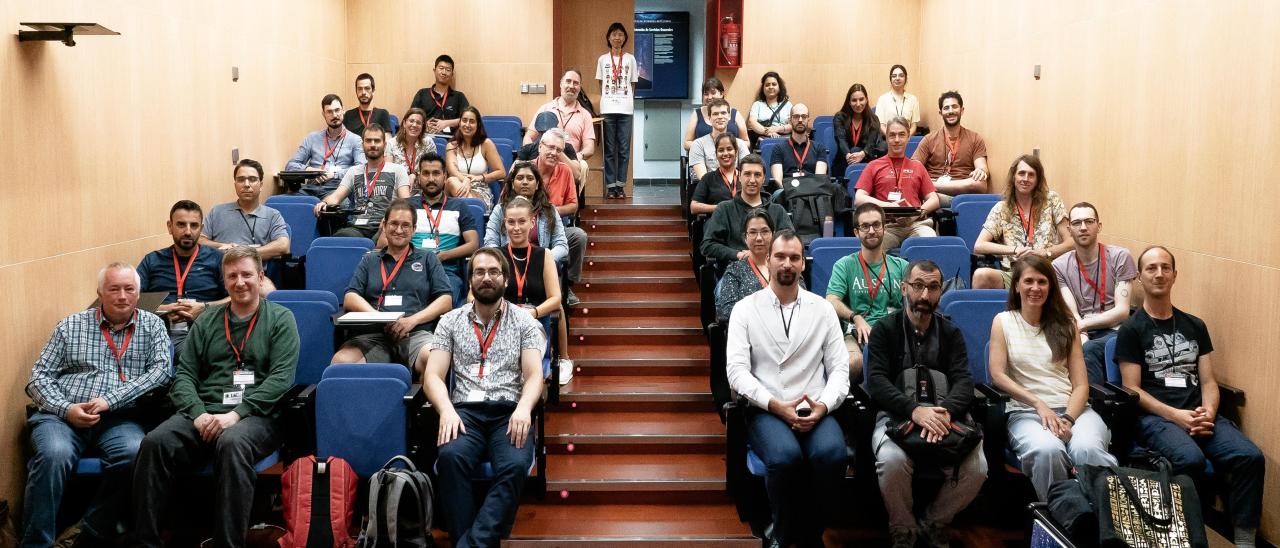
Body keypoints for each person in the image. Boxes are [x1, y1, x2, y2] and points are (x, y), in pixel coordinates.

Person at [134, 247, 300, 548]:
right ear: (224, 282)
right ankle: (147, 541)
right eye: (232, 276)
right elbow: (184, 375)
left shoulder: (281, 319)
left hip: (256, 415)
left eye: (247, 274)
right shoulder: (207, 321)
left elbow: (280, 380)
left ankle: (228, 543)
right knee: (155, 443)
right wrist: (198, 413)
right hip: (203, 412)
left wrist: (235, 415)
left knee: (232, 441)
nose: (240, 282)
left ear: (261, 277)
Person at [1116, 246, 1265, 548]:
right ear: (1140, 277)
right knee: (1190, 459)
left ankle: (1245, 540)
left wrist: (1208, 412)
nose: (1159, 274)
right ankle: (1190, 537)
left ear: (1174, 275)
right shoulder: (1131, 330)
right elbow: (1133, 390)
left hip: (1198, 413)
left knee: (1250, 457)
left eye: (1165, 267)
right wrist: (1176, 416)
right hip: (1157, 419)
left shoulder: (1194, 325)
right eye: (1151, 268)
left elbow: (1209, 381)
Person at [22, 263, 172, 547]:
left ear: (139, 294)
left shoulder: (153, 326)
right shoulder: (71, 325)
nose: (122, 296)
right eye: (113, 289)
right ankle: (35, 543)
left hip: (119, 418)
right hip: (62, 416)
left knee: (135, 454)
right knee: (53, 454)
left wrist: (110, 400)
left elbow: (161, 372)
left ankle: (84, 533)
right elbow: (37, 379)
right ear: (99, 293)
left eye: (129, 289)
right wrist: (66, 409)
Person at [725, 229, 850, 547]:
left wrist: (823, 406)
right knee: (784, 458)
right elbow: (737, 372)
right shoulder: (745, 309)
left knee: (833, 455)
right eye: (780, 256)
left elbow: (839, 370)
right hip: (767, 407)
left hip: (815, 406)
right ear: (768, 260)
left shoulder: (822, 308)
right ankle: (781, 531)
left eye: (795, 257)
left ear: (803, 264)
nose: (787, 263)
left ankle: (812, 531)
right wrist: (776, 405)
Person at [424, 248, 545, 547]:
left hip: (509, 411)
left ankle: (471, 543)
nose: (486, 277)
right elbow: (432, 376)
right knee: (451, 457)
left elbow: (534, 376)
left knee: (516, 465)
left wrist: (524, 409)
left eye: (493, 272)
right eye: (479, 272)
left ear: (504, 279)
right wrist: (447, 410)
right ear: (470, 280)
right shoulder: (449, 321)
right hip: (465, 412)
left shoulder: (524, 322)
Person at [865, 259, 986, 548]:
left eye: (932, 288)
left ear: (940, 293)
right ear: (904, 287)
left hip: (946, 416)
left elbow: (963, 381)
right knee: (892, 461)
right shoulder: (885, 329)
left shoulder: (951, 333)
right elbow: (877, 382)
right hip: (898, 415)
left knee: (978, 468)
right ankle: (903, 528)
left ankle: (935, 521)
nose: (924, 296)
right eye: (918, 286)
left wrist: (944, 414)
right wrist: (915, 411)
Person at [988, 255, 1117, 501]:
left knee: (1087, 448)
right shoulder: (1003, 322)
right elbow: (998, 375)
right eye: (1028, 281)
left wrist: (1068, 417)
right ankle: (1061, 520)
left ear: (1051, 287)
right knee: (1049, 450)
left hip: (1074, 411)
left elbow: (1081, 385)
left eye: (1042, 282)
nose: (1035, 288)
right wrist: (1039, 404)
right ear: (1016, 285)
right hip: (1026, 413)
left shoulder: (1067, 324)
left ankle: (1103, 521)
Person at [336, 199, 452, 377]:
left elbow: (445, 300)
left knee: (434, 359)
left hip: (416, 334)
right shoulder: (369, 259)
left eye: (405, 225)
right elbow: (351, 297)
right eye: (394, 224)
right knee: (340, 363)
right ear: (383, 225)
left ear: (414, 229)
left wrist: (411, 321)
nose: (399, 230)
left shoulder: (428, 259)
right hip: (374, 335)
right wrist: (379, 318)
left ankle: (424, 405)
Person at [1052, 203, 1137, 384]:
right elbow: (1072, 313)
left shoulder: (1120, 257)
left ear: (1099, 226)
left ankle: (1093, 403)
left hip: (1115, 329)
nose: (1083, 227)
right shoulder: (1058, 266)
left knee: (1089, 349)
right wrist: (1080, 332)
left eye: (1089, 221)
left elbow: (1122, 311)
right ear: (1069, 229)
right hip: (1079, 328)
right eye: (1076, 223)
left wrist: (1082, 328)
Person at [138, 200, 230, 356]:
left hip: (205, 332)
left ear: (201, 229)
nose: (188, 231)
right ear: (169, 227)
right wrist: (164, 309)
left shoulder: (217, 259)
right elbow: (130, 301)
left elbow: (235, 299)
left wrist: (204, 308)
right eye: (181, 225)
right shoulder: (152, 261)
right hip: (157, 333)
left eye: (194, 226)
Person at [497, 196, 572, 385]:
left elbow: (556, 298)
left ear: (532, 223)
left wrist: (533, 313)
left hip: (534, 323)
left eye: (522, 222)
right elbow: (473, 296)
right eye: (511, 222)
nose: (516, 228)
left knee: (521, 363)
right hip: (502, 322)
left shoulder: (544, 255)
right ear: (504, 223)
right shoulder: (496, 255)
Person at [827, 203, 907, 372]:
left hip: (895, 332)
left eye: (876, 225)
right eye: (865, 226)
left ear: (884, 228)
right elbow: (831, 300)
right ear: (856, 232)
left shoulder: (901, 266)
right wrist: (855, 317)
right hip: (857, 333)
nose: (871, 231)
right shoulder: (844, 265)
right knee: (853, 364)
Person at [972, 154, 1071, 289]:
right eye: (1021, 173)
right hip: (1014, 274)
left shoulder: (1052, 200)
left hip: (1046, 271)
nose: (1025, 179)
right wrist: (1014, 250)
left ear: (1038, 179)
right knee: (981, 276)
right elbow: (979, 245)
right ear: (1014, 177)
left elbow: (1071, 243)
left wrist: (1046, 252)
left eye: (1031, 175)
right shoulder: (1002, 208)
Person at [311, 123, 412, 240]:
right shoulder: (353, 171)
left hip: (384, 227)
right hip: (357, 227)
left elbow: (405, 204)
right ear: (362, 144)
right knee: (339, 239)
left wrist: (392, 221)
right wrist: (325, 203)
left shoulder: (398, 170)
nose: (373, 145)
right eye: (368, 141)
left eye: (377, 141)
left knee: (382, 242)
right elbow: (336, 196)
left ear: (384, 145)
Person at [853, 117, 940, 250]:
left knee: (930, 243)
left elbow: (934, 199)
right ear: (886, 138)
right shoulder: (873, 166)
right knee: (871, 248)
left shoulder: (917, 166)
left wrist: (916, 214)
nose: (897, 140)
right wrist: (889, 206)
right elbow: (859, 199)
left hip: (916, 224)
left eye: (902, 135)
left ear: (908, 137)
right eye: (892, 135)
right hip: (885, 226)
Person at [409, 152, 480, 304]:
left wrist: (443, 256)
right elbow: (383, 244)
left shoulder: (459, 206)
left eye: (436, 173)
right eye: (426, 173)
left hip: (445, 272)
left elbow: (473, 244)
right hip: (409, 269)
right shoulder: (406, 206)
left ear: (445, 176)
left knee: (441, 301)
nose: (431, 179)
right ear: (419, 177)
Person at [700, 155, 792, 265]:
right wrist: (737, 254)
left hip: (771, 270)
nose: (752, 180)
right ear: (739, 176)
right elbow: (707, 245)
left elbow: (789, 242)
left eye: (757, 175)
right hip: (735, 269)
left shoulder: (777, 211)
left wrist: (763, 254)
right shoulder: (724, 209)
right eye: (747, 174)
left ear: (763, 179)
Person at [531, 130, 587, 305]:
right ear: (540, 147)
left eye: (559, 150)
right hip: (527, 230)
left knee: (579, 236)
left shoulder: (565, 171)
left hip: (555, 230)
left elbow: (573, 205)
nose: (554, 153)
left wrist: (551, 210)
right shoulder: (525, 170)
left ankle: (567, 284)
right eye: (550, 147)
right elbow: (506, 202)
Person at [484, 162, 570, 271]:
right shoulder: (500, 210)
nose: (525, 182)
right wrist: (504, 261)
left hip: (540, 266)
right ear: (513, 183)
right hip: (509, 266)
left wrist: (543, 259)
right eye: (520, 178)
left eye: (530, 178)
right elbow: (490, 243)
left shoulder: (549, 210)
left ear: (537, 184)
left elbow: (561, 245)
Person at [200, 159, 291, 261]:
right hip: (220, 273)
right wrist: (222, 246)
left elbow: (283, 246)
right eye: (241, 179)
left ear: (261, 185)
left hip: (255, 275)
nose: (246, 184)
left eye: (252, 179)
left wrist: (243, 253)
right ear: (235, 185)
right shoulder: (217, 212)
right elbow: (199, 240)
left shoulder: (272, 215)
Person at [910, 91, 989, 207]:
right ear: (940, 113)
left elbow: (982, 168)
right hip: (934, 194)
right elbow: (914, 168)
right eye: (946, 108)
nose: (951, 111)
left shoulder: (975, 138)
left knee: (980, 183)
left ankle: (937, 195)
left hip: (961, 192)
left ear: (962, 110)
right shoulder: (929, 139)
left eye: (954, 107)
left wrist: (981, 171)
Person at [523, 69, 594, 188]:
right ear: (561, 84)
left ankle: (571, 203)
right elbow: (529, 137)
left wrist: (579, 156)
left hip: (571, 160)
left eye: (575, 83)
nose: (571, 86)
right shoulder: (545, 108)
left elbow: (590, 148)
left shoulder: (585, 115)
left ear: (580, 87)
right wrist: (535, 155)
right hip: (546, 157)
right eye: (568, 81)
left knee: (582, 166)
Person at [285, 94, 366, 197]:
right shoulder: (312, 138)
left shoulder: (355, 140)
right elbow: (290, 165)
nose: (334, 115)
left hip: (338, 190)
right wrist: (309, 170)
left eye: (337, 110)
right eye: (329, 112)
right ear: (324, 114)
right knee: (281, 202)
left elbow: (361, 168)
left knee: (339, 206)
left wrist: (334, 175)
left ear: (343, 111)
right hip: (311, 189)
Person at [596, 22, 639, 199]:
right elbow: (600, 83)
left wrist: (624, 99)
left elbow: (633, 84)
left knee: (623, 149)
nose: (617, 37)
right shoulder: (602, 59)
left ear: (624, 38)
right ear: (608, 37)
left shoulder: (630, 59)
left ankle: (620, 187)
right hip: (607, 108)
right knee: (609, 149)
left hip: (626, 110)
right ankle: (610, 186)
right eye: (614, 34)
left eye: (620, 34)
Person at [714, 209, 774, 323]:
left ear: (773, 234)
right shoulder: (735, 270)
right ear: (745, 238)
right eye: (753, 232)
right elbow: (726, 312)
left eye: (765, 231)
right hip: (748, 334)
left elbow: (801, 303)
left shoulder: (785, 266)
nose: (759, 238)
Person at [445, 106, 506, 208]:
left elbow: (501, 172)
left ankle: (470, 207)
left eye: (472, 121)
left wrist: (480, 178)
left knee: (467, 203)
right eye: (464, 120)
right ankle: (470, 208)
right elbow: (452, 171)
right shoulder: (452, 146)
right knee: (451, 181)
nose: (467, 125)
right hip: (457, 187)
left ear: (478, 125)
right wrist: (466, 180)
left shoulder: (486, 144)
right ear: (459, 123)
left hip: (480, 191)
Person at [831, 83, 887, 180]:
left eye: (861, 99)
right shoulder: (840, 117)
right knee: (854, 150)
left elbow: (871, 144)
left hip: (866, 160)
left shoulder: (873, 119)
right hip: (844, 160)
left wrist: (862, 154)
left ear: (866, 99)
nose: (858, 104)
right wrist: (849, 156)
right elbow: (841, 140)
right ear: (849, 102)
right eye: (854, 100)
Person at [768, 103, 828, 186]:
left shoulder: (819, 148)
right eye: (796, 116)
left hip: (812, 192)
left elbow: (819, 179)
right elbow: (778, 181)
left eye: (804, 116)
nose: (800, 120)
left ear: (808, 120)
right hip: (787, 192)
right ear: (790, 120)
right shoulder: (779, 148)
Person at [689, 99, 750, 180]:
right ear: (709, 119)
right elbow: (703, 178)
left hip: (736, 187)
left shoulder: (740, 144)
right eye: (715, 114)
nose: (720, 117)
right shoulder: (698, 144)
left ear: (729, 117)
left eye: (723, 113)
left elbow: (747, 172)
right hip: (709, 188)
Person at [410, 54, 470, 135]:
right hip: (425, 138)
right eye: (441, 68)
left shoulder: (459, 96)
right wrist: (424, 124)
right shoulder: (422, 94)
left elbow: (468, 119)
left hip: (452, 141)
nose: (444, 72)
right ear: (434, 71)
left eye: (448, 69)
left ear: (452, 74)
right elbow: (411, 117)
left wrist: (446, 123)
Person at [683, 77, 749, 151]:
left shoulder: (735, 113)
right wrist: (707, 147)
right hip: (704, 156)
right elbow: (686, 143)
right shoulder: (697, 113)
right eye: (706, 94)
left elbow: (746, 142)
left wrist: (727, 147)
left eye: (713, 93)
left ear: (721, 94)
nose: (709, 97)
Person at [690, 132, 747, 215]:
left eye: (729, 149)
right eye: (721, 150)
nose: (725, 153)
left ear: (736, 152)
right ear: (716, 154)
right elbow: (694, 207)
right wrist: (721, 208)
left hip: (744, 222)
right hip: (717, 222)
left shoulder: (747, 177)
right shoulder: (708, 178)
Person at [386, 107, 439, 177]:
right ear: (404, 123)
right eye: (411, 121)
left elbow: (432, 169)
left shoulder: (428, 142)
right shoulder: (392, 143)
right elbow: (388, 172)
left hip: (422, 183)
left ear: (422, 127)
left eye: (418, 123)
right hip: (398, 183)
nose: (414, 125)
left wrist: (414, 176)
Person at [747, 71, 792, 146]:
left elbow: (792, 125)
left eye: (774, 84)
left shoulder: (788, 104)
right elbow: (751, 122)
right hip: (764, 140)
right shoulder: (757, 104)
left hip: (785, 140)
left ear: (779, 87)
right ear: (763, 88)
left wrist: (777, 129)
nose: (771, 87)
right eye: (767, 85)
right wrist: (768, 132)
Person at [874, 65, 920, 136]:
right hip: (887, 139)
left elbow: (913, 126)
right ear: (890, 79)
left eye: (901, 76)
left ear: (905, 79)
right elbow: (881, 125)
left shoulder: (913, 99)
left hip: (907, 139)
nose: (897, 78)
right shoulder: (882, 99)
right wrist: (890, 137)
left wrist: (906, 137)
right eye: (894, 76)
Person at [342, 73, 392, 137]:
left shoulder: (383, 114)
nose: (363, 92)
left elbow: (387, 142)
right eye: (360, 89)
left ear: (373, 91)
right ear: (356, 91)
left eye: (367, 88)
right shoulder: (348, 115)